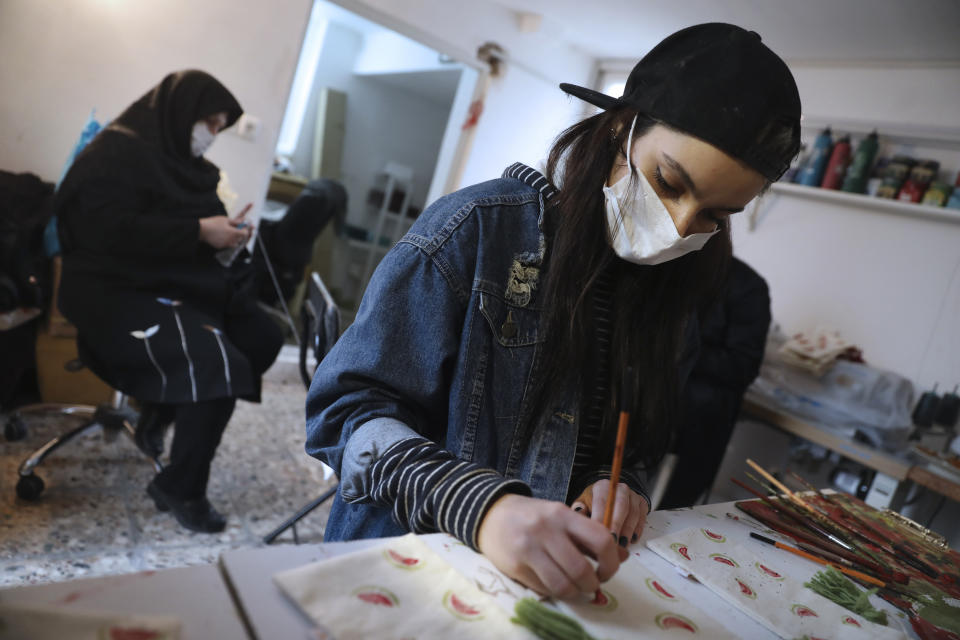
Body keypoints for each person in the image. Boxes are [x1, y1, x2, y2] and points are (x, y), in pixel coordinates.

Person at [305, 23, 801, 599]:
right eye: (668, 182)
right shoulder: (475, 232)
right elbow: (343, 414)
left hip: (539, 588)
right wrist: (482, 509)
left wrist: (618, 484)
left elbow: (628, 441)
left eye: (716, 214)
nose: (681, 226)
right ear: (620, 126)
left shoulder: (675, 298)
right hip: (404, 573)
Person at [55, 70, 283, 533]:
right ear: (181, 113)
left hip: (169, 284)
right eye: (210, 124)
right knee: (217, 364)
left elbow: (191, 238)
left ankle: (159, 408)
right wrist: (199, 230)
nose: (212, 137)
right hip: (111, 291)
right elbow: (105, 234)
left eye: (220, 128)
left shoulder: (193, 171)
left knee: (263, 335)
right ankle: (180, 487)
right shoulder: (114, 155)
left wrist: (226, 242)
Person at [658, 256, 772, 510]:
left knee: (672, 514)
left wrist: (680, 350)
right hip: (644, 408)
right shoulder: (665, 263)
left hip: (699, 420)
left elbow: (743, 365)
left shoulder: (747, 286)